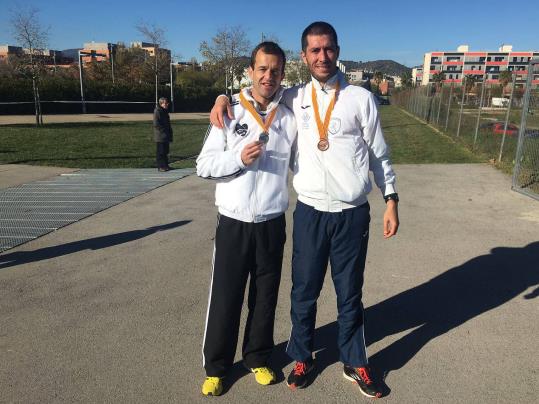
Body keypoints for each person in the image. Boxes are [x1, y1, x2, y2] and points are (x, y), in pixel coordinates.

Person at [210, 22, 399, 398]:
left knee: (349, 292)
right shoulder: (292, 98)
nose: (322, 56)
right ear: (304, 56)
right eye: (314, 50)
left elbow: (378, 153)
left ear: (338, 50)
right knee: (304, 291)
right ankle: (302, 355)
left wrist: (390, 198)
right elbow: (252, 94)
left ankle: (355, 360)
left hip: (352, 212)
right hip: (310, 212)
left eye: (328, 49)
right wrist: (221, 96)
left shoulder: (361, 97)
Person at [196, 41, 297, 396]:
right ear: (251, 72)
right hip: (234, 222)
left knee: (266, 296)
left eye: (275, 70)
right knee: (226, 296)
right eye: (262, 69)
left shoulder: (289, 116)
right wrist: (238, 158)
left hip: (271, 221)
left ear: (283, 74)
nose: (268, 76)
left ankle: (257, 357)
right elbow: (203, 166)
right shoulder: (229, 111)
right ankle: (217, 367)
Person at [153, 97, 173, 172]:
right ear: (161, 103)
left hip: (166, 135)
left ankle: (165, 165)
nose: (167, 104)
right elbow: (156, 124)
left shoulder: (165, 111)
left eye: (167, 103)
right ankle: (160, 166)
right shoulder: (157, 111)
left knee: (165, 151)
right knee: (160, 152)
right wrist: (163, 131)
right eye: (165, 103)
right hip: (160, 136)